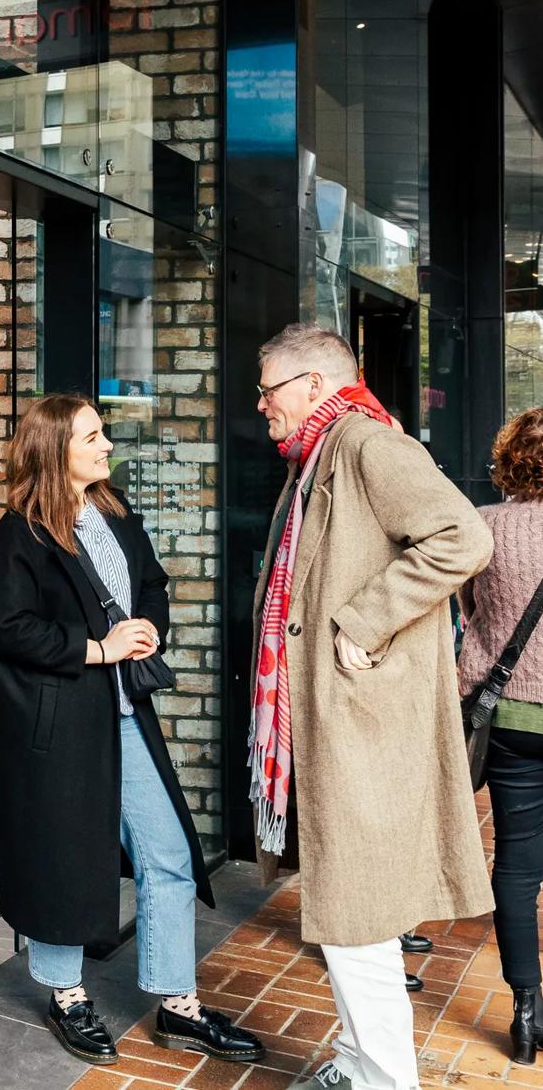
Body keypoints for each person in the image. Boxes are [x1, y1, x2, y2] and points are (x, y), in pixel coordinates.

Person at [0, 393, 264, 1066]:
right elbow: (13, 629)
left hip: (124, 717)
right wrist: (99, 649)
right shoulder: (18, 534)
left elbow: (153, 585)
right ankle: (66, 995)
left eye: (103, 433)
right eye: (92, 436)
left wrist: (146, 628)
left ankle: (178, 1005)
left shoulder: (114, 514)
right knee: (63, 858)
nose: (107, 445)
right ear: (55, 450)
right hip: (58, 728)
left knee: (166, 852)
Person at [250, 325, 493, 1090]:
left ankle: (384, 1080)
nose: (261, 407)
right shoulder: (322, 452)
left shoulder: (365, 446)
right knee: (351, 914)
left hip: (361, 724)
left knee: (355, 916)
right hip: (339, 722)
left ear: (315, 384)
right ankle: (359, 1064)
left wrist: (365, 620)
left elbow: (464, 536)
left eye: (268, 390)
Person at [458, 407, 543, 1063]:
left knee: (517, 866)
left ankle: (525, 1012)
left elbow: (471, 615)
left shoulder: (483, 527)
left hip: (509, 719)